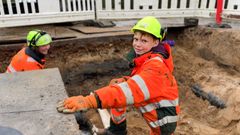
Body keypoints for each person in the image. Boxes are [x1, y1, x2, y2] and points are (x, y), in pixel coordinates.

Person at [57, 16, 179, 135]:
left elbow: (130, 91)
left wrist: (88, 101)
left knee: (121, 92)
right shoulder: (148, 58)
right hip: (156, 115)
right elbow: (141, 83)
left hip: (163, 123)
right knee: (119, 86)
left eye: (144, 41)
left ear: (156, 42)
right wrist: (125, 81)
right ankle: (117, 131)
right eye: (136, 39)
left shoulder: (156, 67)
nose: (137, 44)